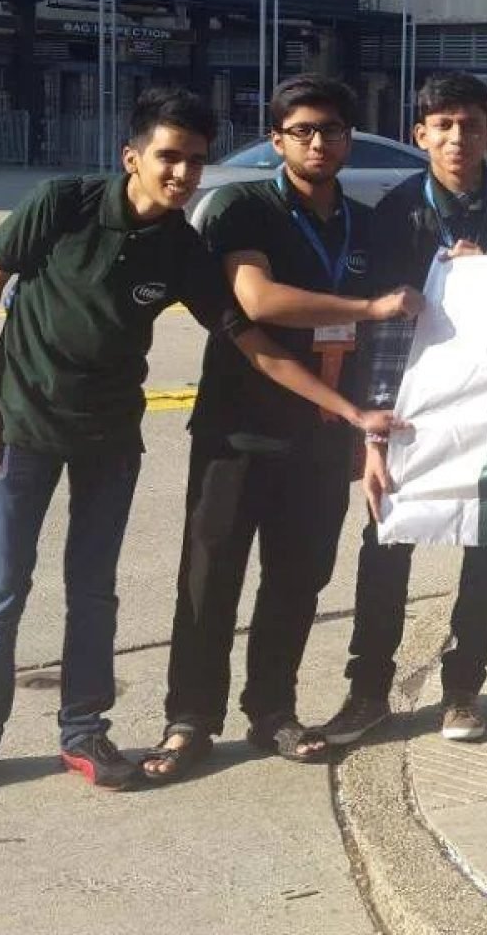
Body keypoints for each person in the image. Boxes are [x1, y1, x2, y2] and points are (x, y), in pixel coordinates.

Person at [0, 87, 400, 798]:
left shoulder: (183, 248)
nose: (182, 175)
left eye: (196, 162)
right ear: (131, 156)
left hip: (111, 438)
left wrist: (350, 412)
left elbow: (251, 342)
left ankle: (83, 733)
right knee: (3, 586)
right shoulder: (64, 204)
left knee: (94, 590)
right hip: (24, 427)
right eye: (169, 158)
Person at [140, 77, 423, 784]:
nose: (318, 142)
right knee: (210, 583)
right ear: (278, 141)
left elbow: (411, 312)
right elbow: (256, 299)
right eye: (302, 131)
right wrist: (367, 306)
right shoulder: (244, 206)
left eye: (331, 130)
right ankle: (190, 721)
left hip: (324, 436)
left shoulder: (364, 223)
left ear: (348, 139)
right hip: (238, 435)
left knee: (296, 583)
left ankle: (272, 712)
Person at [320, 72, 487, 748]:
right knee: (387, 542)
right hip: (410, 412)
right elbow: (372, 332)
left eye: (471, 125)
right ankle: (368, 692)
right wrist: (371, 435)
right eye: (442, 125)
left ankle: (463, 690)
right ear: (419, 134)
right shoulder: (393, 213)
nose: (458, 138)